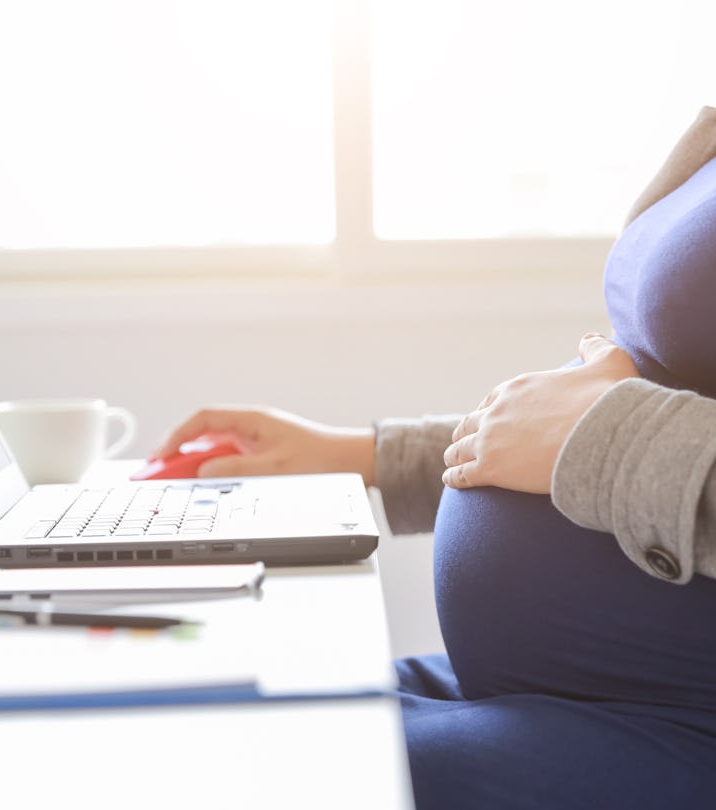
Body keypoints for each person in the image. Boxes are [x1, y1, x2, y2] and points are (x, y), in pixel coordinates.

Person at [153, 107, 716, 808]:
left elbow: (612, 417)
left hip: (678, 720)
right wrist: (367, 457)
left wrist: (610, 438)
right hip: (562, 689)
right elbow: (655, 390)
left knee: (218, 771)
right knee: (185, 710)